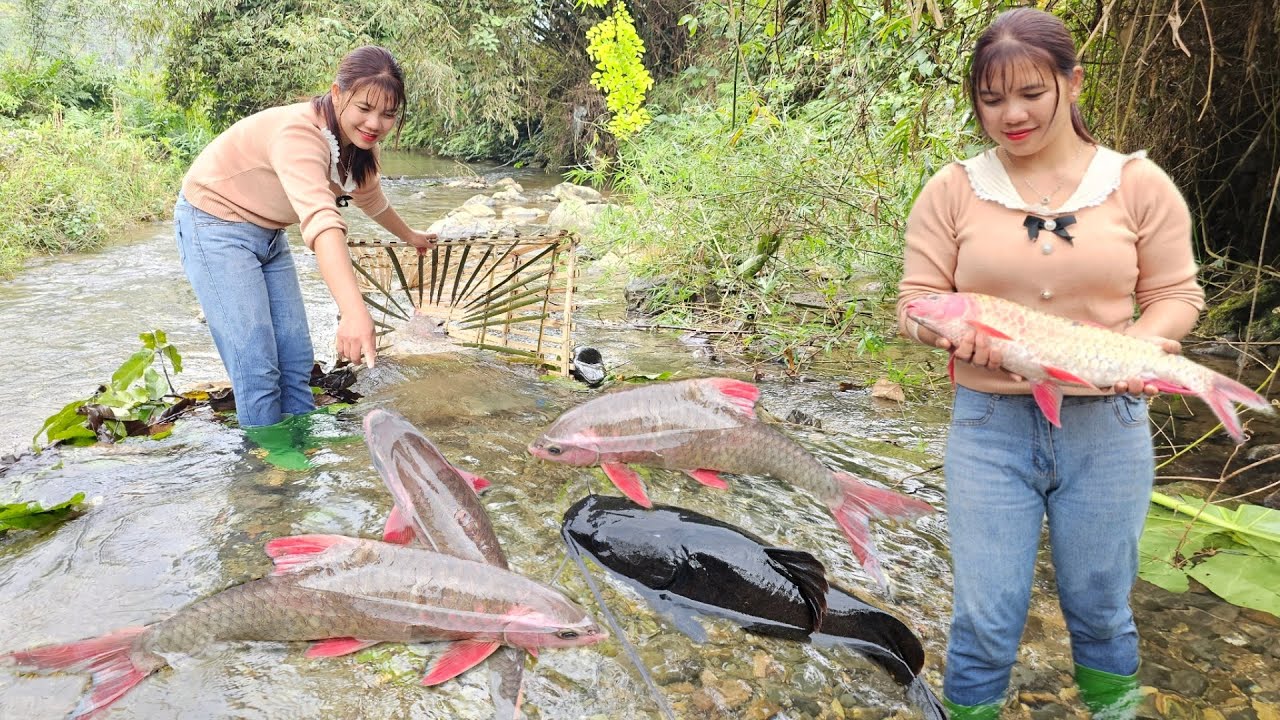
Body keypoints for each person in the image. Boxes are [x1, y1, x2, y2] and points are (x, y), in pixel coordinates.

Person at [896, 8, 1204, 719]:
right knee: (985, 618)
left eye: (1031, 93)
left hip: (1109, 425)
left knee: (1101, 610)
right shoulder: (953, 189)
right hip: (988, 427)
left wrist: (1144, 347)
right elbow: (915, 303)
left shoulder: (1135, 184)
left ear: (1072, 82)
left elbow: (1175, 294)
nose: (1012, 115)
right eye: (991, 98)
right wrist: (945, 335)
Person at [174, 45, 435, 429]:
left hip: (268, 233)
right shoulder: (300, 135)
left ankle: (301, 456)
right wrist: (353, 310)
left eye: (387, 114)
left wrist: (410, 235)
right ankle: (266, 474)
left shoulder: (357, 145)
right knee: (258, 367)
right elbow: (322, 222)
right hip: (214, 225)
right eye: (364, 108)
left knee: (296, 362)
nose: (375, 123)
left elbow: (370, 198)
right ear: (337, 93)